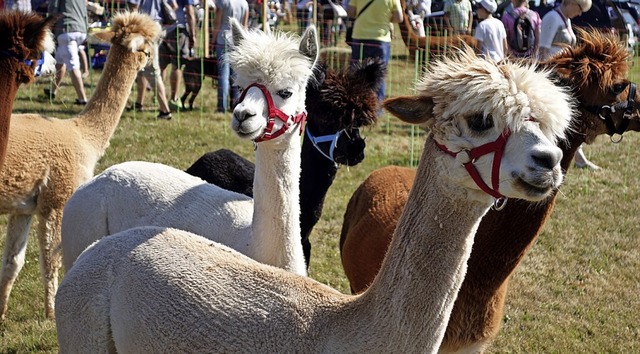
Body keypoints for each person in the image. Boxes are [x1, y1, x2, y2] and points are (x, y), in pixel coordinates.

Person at [539, 0, 598, 169]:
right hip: (552, 77)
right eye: (579, 8)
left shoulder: (565, 20)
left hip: (562, 76)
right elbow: (543, 50)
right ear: (571, 2)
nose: (579, 13)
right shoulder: (551, 18)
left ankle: (578, 159)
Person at [347, 0, 403, 104]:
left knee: (355, 72)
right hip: (381, 39)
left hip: (360, 36)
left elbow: (350, 11)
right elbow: (399, 17)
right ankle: (376, 107)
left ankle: (353, 102)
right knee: (379, 75)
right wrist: (386, 19)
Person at [127, 0, 174, 119]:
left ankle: (165, 111)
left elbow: (134, 9)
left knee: (152, 70)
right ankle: (139, 103)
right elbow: (173, 5)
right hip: (157, 26)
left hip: (146, 28)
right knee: (142, 66)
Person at [46, 0, 89, 106]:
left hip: (66, 29)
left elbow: (53, 10)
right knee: (60, 61)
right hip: (81, 30)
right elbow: (85, 13)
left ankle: (82, 99)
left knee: (73, 66)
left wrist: (47, 26)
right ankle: (52, 91)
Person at [212, 0, 249, 113]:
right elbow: (245, 26)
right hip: (238, 41)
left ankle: (221, 106)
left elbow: (217, 22)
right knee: (236, 75)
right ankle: (236, 104)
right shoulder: (244, 3)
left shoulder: (223, 2)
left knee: (223, 75)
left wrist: (212, 40)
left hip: (223, 39)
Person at [160, 0, 197, 109]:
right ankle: (174, 98)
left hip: (162, 29)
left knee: (161, 66)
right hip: (178, 30)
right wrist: (192, 34)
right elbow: (190, 13)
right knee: (177, 65)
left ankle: (159, 97)